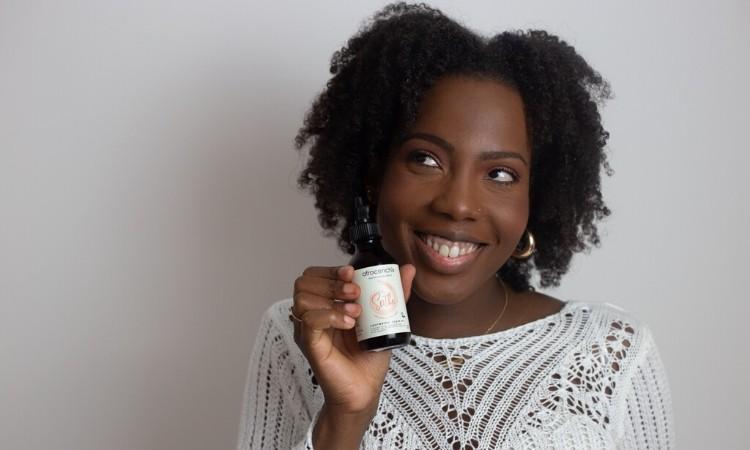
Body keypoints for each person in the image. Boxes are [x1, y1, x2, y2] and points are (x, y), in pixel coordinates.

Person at [237, 3, 674, 449]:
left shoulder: (614, 350)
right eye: (426, 159)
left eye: (500, 174)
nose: (459, 205)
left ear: (533, 200)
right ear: (374, 177)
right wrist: (345, 419)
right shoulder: (301, 337)